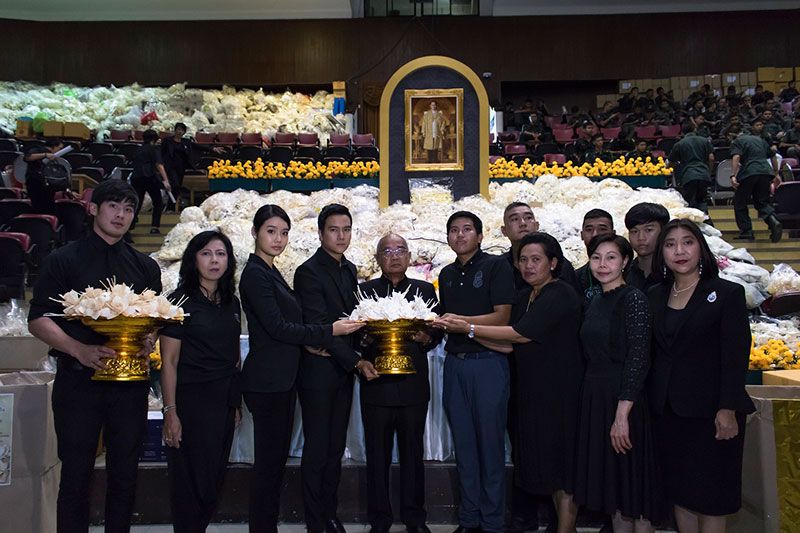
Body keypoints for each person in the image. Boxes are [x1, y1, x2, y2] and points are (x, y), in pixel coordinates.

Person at [27, 179, 161, 532]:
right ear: (92, 208)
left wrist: (147, 340)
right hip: (78, 381)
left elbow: (153, 321)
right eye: (113, 206)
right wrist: (79, 349)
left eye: (129, 209)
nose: (121, 215)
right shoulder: (63, 259)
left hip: (129, 384)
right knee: (76, 473)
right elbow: (38, 319)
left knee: (125, 473)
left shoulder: (145, 267)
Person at [437, 232, 583, 533]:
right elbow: (507, 346)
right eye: (523, 260)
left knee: (562, 466)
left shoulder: (559, 293)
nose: (529, 266)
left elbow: (519, 334)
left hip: (560, 392)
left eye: (536, 259)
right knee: (547, 465)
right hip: (533, 392)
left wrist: (468, 328)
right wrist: (467, 335)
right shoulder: (527, 296)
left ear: (553, 263)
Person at [239, 204, 363, 533]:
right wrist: (327, 334)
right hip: (280, 377)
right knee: (286, 459)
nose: (278, 239)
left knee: (320, 450)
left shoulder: (273, 271)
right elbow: (280, 326)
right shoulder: (264, 274)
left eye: (283, 233)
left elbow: (296, 323)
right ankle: (311, 521)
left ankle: (324, 515)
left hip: (297, 374)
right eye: (270, 232)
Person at [648, 219, 755, 532]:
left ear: (701, 249)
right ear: (662, 253)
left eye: (687, 242)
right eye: (670, 245)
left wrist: (727, 408)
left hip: (713, 413)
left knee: (712, 496)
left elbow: (735, 356)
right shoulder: (655, 295)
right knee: (681, 493)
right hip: (668, 412)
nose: (679, 251)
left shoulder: (726, 293)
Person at [293, 203, 378, 533]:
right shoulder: (308, 272)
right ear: (320, 233)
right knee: (318, 448)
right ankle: (316, 521)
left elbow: (351, 320)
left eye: (346, 229)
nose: (341, 236)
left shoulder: (349, 269)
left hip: (341, 369)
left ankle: (329, 513)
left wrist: (364, 341)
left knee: (334, 447)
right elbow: (320, 326)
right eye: (333, 230)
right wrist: (357, 361)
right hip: (319, 370)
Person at [432, 211, 515, 533]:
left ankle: (492, 522)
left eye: (467, 229)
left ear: (480, 236)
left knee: (490, 446)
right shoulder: (447, 274)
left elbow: (502, 317)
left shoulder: (496, 267)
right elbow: (445, 319)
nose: (460, 235)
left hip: (487, 363)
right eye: (453, 230)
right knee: (464, 446)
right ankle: (469, 519)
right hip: (455, 364)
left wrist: (463, 324)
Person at [574, 234, 661, 532]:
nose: (602, 264)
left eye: (611, 257)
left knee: (633, 486)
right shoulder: (593, 298)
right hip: (596, 397)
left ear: (625, 261)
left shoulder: (633, 299)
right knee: (614, 489)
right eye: (596, 257)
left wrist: (622, 415)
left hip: (624, 399)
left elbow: (639, 357)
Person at [357, 233, 442, 533]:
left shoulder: (424, 290)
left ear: (408, 256)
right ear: (378, 258)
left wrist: (427, 337)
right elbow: (353, 331)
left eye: (400, 250)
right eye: (387, 251)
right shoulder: (364, 291)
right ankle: (379, 520)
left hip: (413, 387)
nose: (394, 256)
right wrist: (364, 339)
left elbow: (437, 329)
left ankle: (415, 519)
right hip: (376, 385)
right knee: (376, 456)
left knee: (412, 455)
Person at [159, 230, 241, 533]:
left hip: (223, 401)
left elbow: (234, 358)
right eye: (206, 253)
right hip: (191, 402)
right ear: (193, 260)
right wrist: (170, 412)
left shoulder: (232, 303)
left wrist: (235, 404)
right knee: (189, 483)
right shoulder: (178, 302)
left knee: (213, 480)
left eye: (220, 254)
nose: (214, 260)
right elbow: (169, 361)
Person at [730, 129, 783, 242]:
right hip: (765, 172)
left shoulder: (738, 141)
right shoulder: (760, 140)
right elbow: (773, 155)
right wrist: (776, 173)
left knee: (740, 202)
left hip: (749, 171)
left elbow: (736, 157)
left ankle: (747, 232)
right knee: (762, 202)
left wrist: (733, 175)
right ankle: (773, 220)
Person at [161, 122, 224, 210]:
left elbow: (198, 147)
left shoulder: (186, 142)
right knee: (175, 184)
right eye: (178, 129)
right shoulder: (167, 141)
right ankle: (170, 206)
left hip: (181, 167)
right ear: (175, 130)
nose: (180, 132)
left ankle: (171, 206)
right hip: (170, 167)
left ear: (184, 132)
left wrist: (213, 149)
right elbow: (161, 152)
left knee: (178, 186)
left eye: (182, 130)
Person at [131, 128, 172, 234]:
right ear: (154, 139)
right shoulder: (155, 148)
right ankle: (154, 227)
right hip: (149, 177)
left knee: (137, 203)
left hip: (136, 177)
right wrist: (166, 180)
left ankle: (129, 227)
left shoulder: (138, 149)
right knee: (157, 202)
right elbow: (159, 165)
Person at [669, 122, 714, 215]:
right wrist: (709, 171)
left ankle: (692, 222)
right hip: (703, 174)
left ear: (682, 132)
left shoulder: (679, 144)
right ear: (694, 129)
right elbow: (711, 158)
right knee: (702, 201)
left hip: (688, 175)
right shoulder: (705, 141)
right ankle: (705, 220)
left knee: (689, 202)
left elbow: (671, 162)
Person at [624, 202, 671, 292]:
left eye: (648, 230)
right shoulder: (623, 273)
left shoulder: (674, 272)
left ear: (664, 231)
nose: (641, 238)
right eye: (634, 231)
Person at [575, 209, 615, 301]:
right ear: (582, 235)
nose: (595, 234)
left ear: (613, 234)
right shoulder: (575, 278)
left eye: (602, 229)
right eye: (589, 230)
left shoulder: (627, 272)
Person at [24, 137, 64, 214]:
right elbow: (28, 157)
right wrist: (45, 155)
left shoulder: (53, 157)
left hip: (48, 185)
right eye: (60, 148)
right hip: (35, 183)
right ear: (54, 146)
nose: (60, 150)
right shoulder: (38, 149)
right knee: (38, 208)